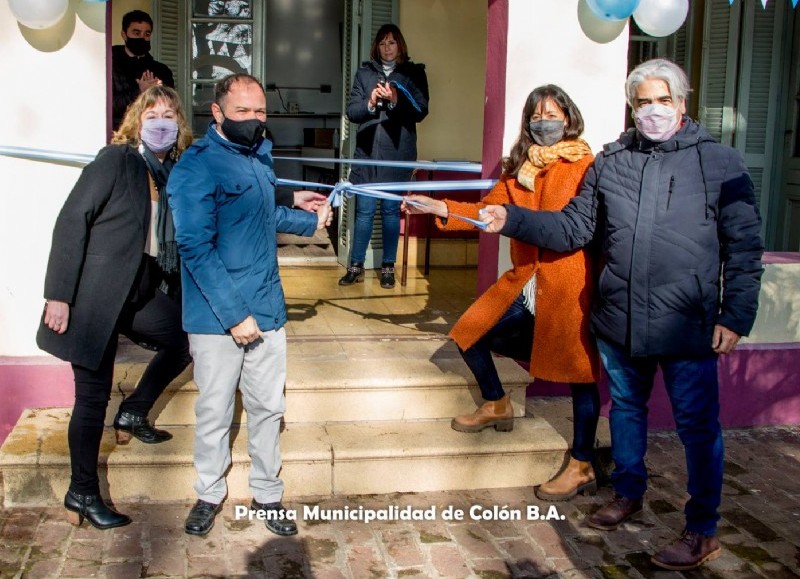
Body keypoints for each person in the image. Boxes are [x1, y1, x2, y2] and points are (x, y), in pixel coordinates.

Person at [479, 59, 764, 571]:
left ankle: (702, 529)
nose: (652, 111)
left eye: (662, 100)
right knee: (626, 413)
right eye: (641, 102)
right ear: (631, 107)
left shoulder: (721, 163)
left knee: (698, 428)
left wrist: (735, 316)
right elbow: (573, 228)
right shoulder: (610, 162)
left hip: (688, 323)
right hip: (620, 321)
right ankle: (627, 493)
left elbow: (744, 247)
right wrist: (513, 218)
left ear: (682, 103)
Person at [402, 85, 601, 502]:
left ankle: (582, 464)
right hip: (526, 279)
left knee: (580, 376)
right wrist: (438, 207)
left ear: (568, 117)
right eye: (536, 114)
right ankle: (496, 403)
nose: (543, 121)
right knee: (469, 333)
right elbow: (484, 211)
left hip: (569, 285)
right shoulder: (518, 170)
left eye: (552, 112)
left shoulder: (587, 165)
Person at [167, 73, 333, 538]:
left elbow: (263, 216)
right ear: (217, 113)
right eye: (243, 112)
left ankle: (268, 493)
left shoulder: (260, 152)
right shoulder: (195, 167)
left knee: (267, 409)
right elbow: (195, 248)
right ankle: (208, 493)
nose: (255, 120)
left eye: (261, 111)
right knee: (215, 410)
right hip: (218, 317)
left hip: (268, 307)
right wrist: (235, 316)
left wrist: (308, 221)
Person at [36, 85, 194, 529]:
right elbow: (72, 220)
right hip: (93, 298)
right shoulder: (116, 160)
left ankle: (134, 409)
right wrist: (59, 294)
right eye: (152, 114)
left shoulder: (169, 173)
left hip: (138, 292)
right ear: (136, 121)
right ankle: (82, 492)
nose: (161, 122)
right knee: (90, 400)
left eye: (169, 115)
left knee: (182, 342)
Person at [339, 23, 429, 289]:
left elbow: (421, 111)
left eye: (392, 42)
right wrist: (369, 102)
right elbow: (352, 112)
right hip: (367, 154)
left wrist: (394, 100)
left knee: (390, 211)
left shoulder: (413, 73)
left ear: (400, 45)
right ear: (376, 47)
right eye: (382, 43)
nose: (387, 48)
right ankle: (355, 265)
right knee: (364, 212)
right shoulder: (365, 73)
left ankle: (387, 267)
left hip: (397, 155)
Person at [112, 10, 175, 130]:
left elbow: (171, 107)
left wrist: (158, 93)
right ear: (124, 35)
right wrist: (140, 91)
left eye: (146, 34)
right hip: (119, 134)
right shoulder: (109, 64)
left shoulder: (161, 70)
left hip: (153, 134)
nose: (142, 38)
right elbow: (108, 106)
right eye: (136, 33)